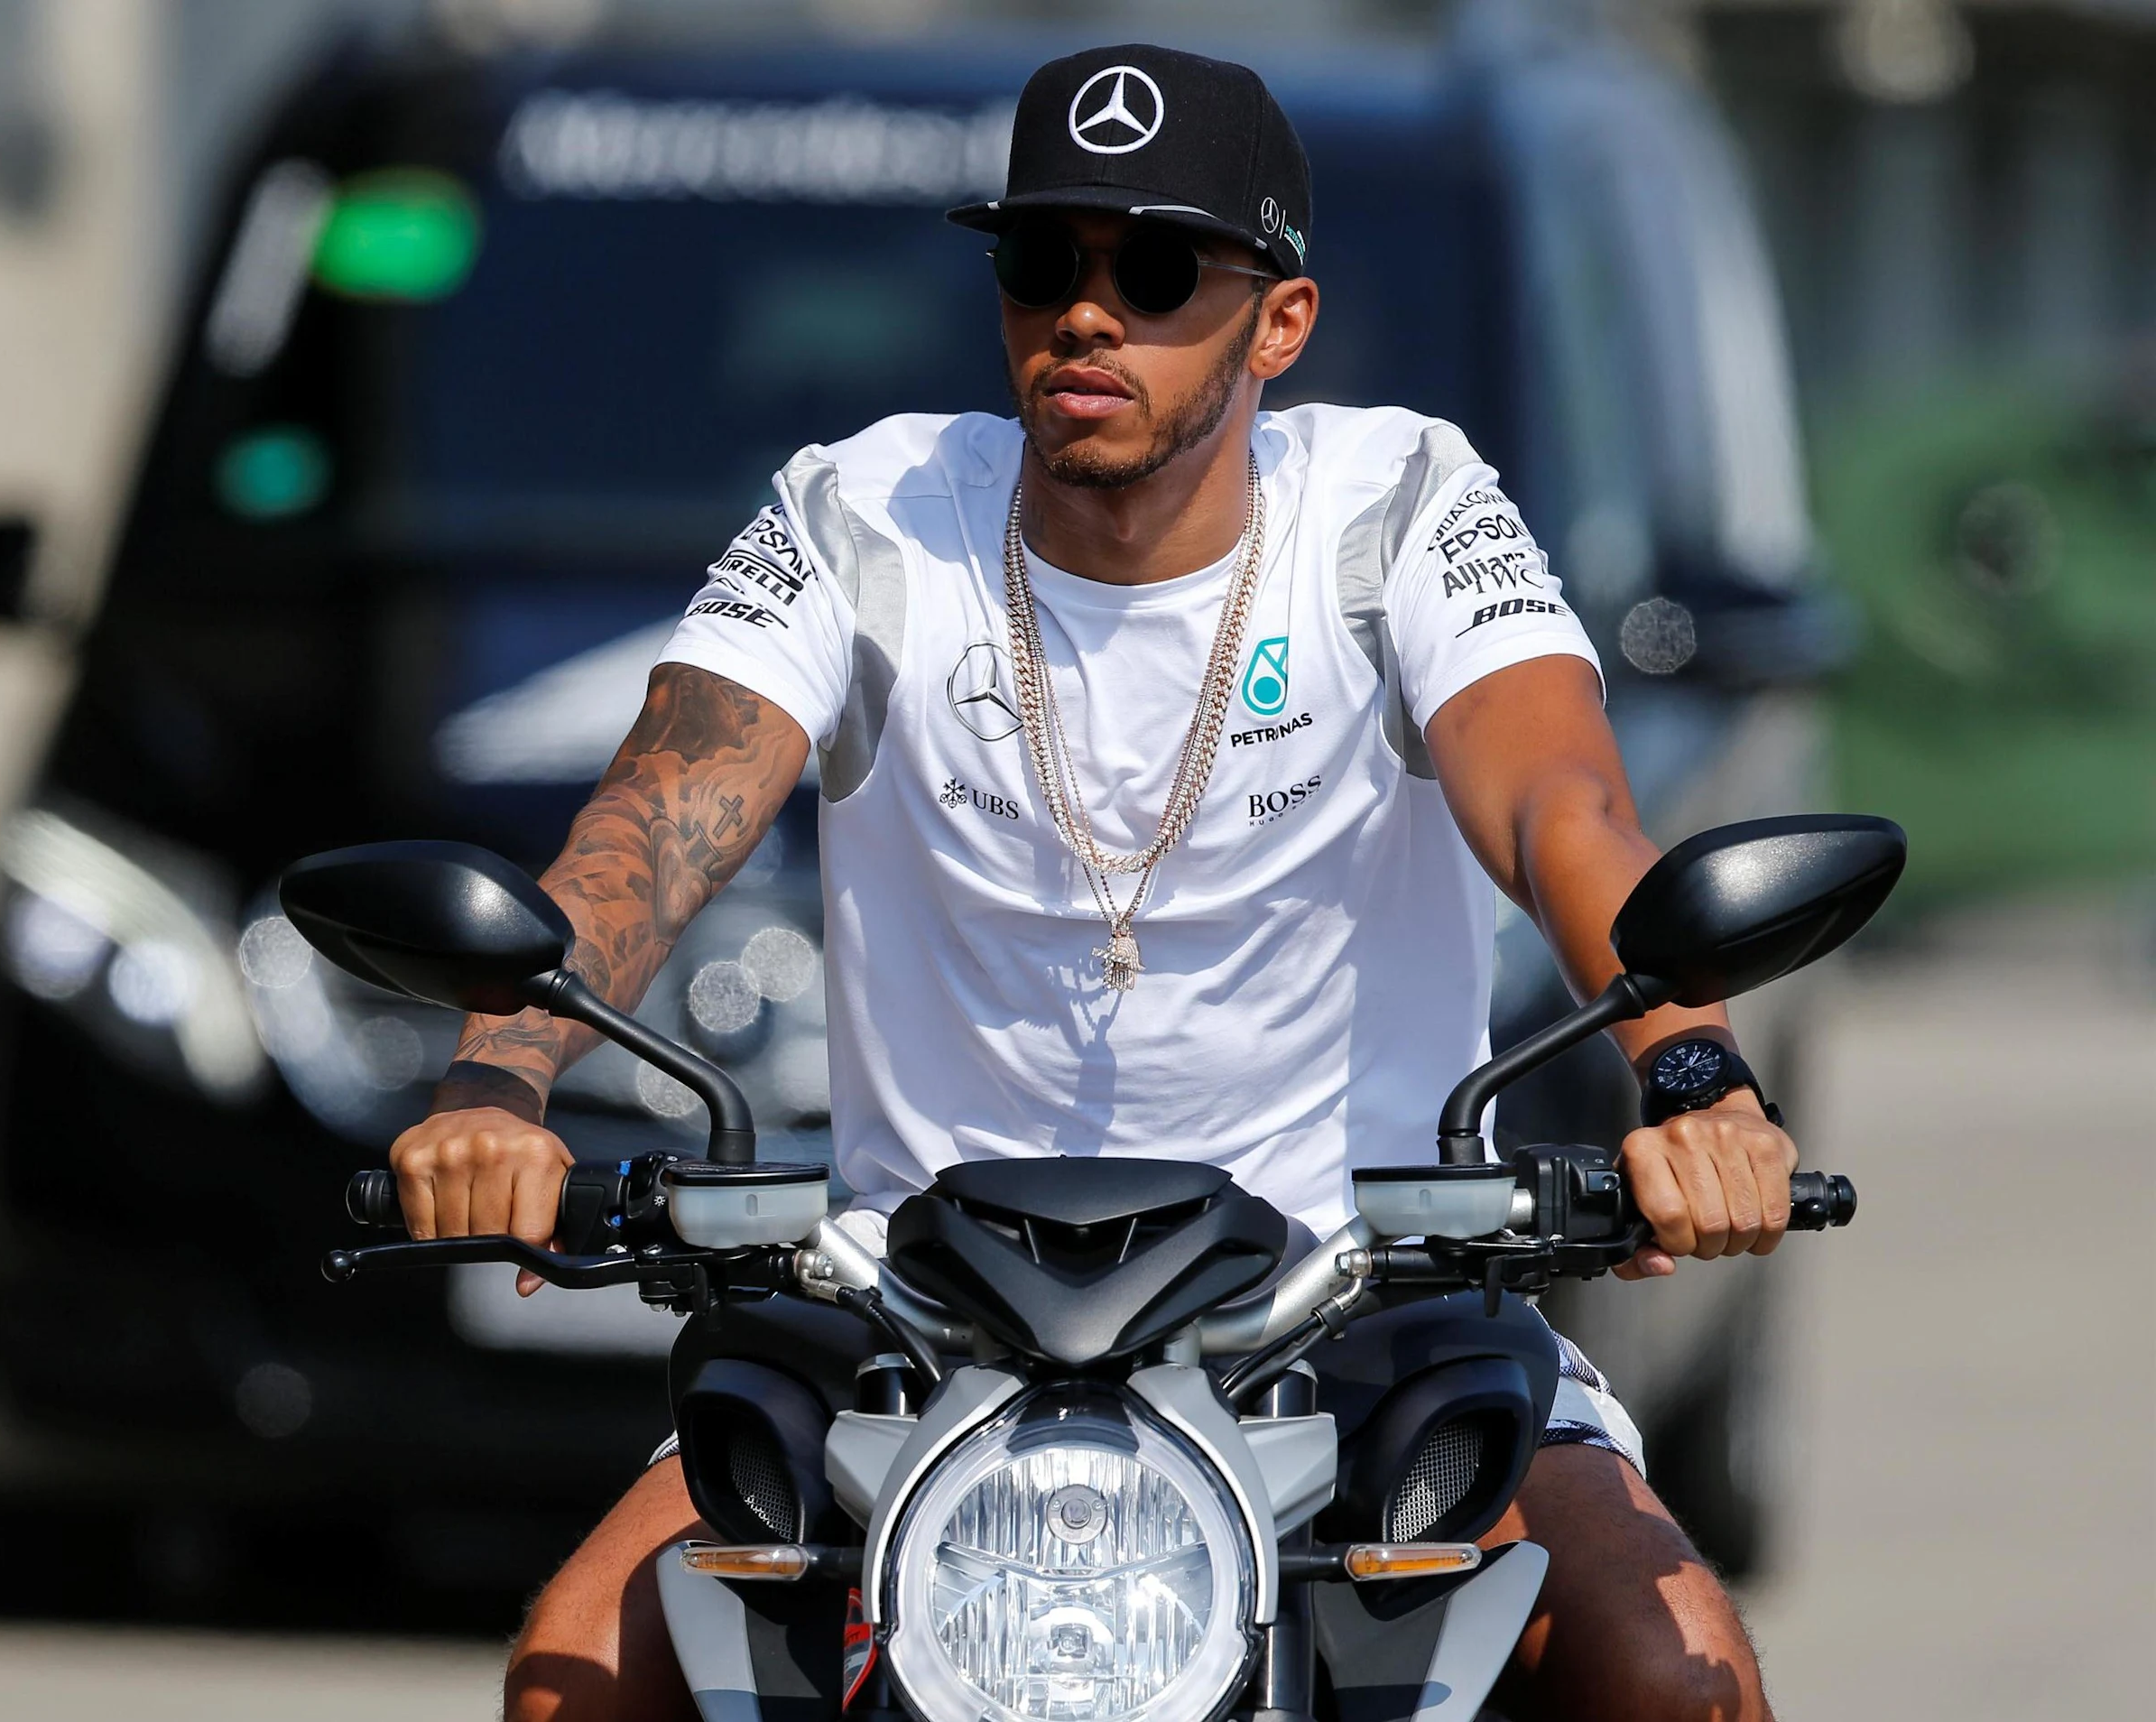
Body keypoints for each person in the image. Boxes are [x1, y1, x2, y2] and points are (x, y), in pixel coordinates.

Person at [392, 43, 1791, 1722]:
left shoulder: (1400, 507)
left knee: (1671, 1667)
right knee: (573, 1675)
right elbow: (651, 820)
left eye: (1154, 269)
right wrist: (500, 1079)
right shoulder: (867, 515)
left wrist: (1693, 1076)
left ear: (1280, 320)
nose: (1086, 313)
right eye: (1043, 261)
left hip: (1355, 1311)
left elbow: (1568, 810)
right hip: (913, 1331)